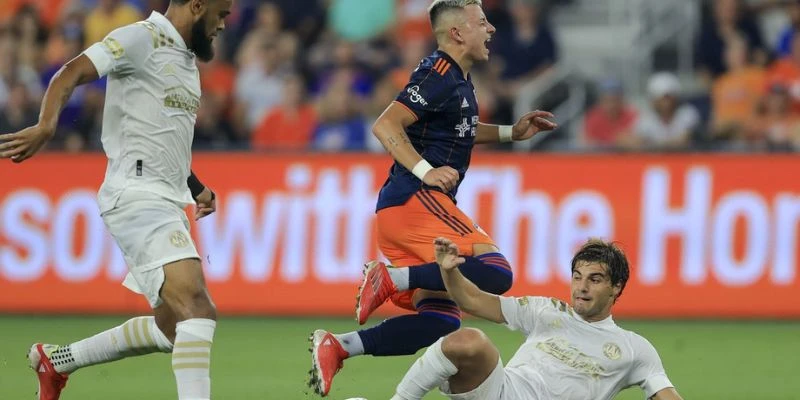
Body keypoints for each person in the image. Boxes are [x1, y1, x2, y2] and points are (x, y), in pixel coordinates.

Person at [307, 0, 556, 396]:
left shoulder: (457, 79)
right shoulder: (439, 73)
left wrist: (512, 133)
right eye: (481, 22)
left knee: (440, 319)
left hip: (401, 213)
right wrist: (426, 171)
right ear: (457, 33)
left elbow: (461, 130)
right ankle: (390, 277)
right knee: (494, 269)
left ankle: (339, 346)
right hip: (415, 200)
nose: (491, 29)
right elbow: (386, 123)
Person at [0, 1, 233, 399]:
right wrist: (46, 124)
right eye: (221, 14)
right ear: (197, 6)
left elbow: (160, 137)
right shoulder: (140, 38)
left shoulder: (186, 60)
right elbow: (71, 71)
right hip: (136, 197)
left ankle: (55, 362)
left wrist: (195, 187)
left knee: (173, 327)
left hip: (166, 200)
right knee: (198, 306)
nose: (223, 25)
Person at [391, 237, 684, 400]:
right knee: (469, 341)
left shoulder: (634, 349)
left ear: (616, 287)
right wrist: (449, 271)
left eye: (595, 280)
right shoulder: (547, 311)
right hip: (502, 393)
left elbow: (665, 394)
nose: (582, 287)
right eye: (577, 277)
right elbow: (473, 301)